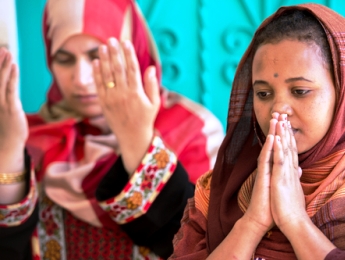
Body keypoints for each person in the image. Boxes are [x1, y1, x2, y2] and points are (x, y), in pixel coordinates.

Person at [0, 0, 224, 259]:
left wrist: (137, 142)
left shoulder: (191, 129)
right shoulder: (29, 134)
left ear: (133, 51)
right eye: (64, 59)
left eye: (97, 56)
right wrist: (9, 152)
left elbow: (203, 245)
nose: (81, 79)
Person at [169, 3, 345, 260]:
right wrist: (252, 223)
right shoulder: (220, 188)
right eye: (263, 94)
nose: (278, 109)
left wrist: (295, 221)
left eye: (300, 91)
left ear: (341, 93)